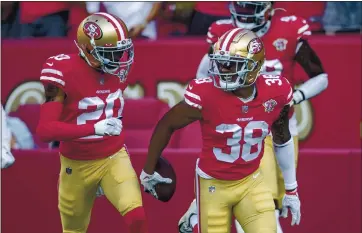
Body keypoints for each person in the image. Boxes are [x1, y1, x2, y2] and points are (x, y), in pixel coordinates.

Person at [140, 29, 301, 233]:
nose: (223, 69)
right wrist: (147, 169)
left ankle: (195, 212)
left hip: (251, 181)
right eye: (221, 62)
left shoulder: (275, 92)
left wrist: (291, 190)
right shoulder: (206, 94)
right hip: (213, 185)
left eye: (231, 64)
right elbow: (167, 124)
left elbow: (282, 138)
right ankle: (198, 209)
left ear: (253, 66)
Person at [193, 2, 328, 232]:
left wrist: (293, 97)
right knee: (263, 202)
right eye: (240, 5)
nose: (243, 12)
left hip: (282, 125)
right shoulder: (222, 33)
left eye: (250, 6)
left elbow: (321, 77)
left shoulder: (288, 28)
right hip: (247, 126)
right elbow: (202, 77)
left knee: (278, 202)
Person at [36, 13, 148, 233]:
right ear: (87, 49)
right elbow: (45, 130)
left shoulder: (116, 67)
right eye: (110, 53)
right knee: (74, 230)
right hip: (76, 164)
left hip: (114, 157)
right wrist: (93, 129)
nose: (119, 59)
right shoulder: (62, 71)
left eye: (120, 51)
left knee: (137, 217)